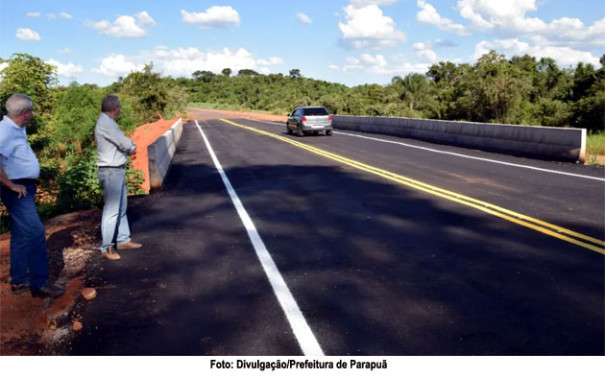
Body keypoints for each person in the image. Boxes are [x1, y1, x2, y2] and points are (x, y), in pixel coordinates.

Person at [0, 94, 65, 298]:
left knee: (20, 235)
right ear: (24, 113)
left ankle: (18, 280)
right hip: (16, 190)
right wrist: (10, 185)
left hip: (24, 186)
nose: (33, 115)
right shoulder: (5, 132)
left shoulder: (17, 128)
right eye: (31, 112)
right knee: (36, 233)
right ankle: (39, 284)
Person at [95, 94, 142, 260]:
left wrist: (129, 146)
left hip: (116, 169)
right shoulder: (106, 124)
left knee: (121, 207)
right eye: (119, 107)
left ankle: (122, 240)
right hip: (111, 170)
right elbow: (125, 143)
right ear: (115, 108)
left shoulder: (108, 123)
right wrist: (132, 146)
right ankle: (107, 247)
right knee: (112, 210)